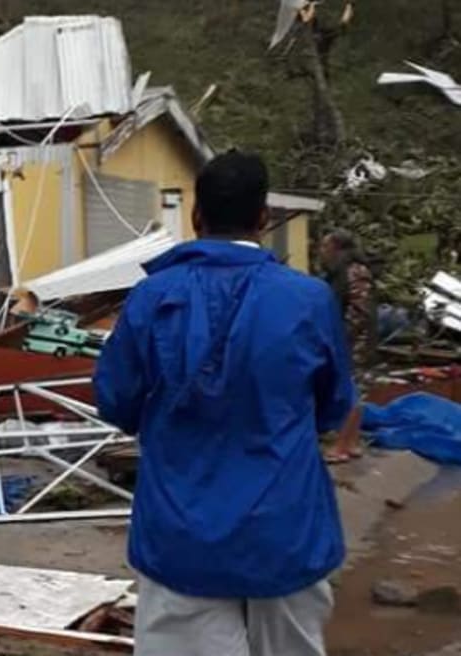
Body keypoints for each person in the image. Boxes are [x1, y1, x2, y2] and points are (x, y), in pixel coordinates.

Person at [93, 151, 355, 656]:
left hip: (181, 533)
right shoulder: (309, 298)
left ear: (195, 216)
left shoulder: (152, 297)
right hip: (286, 529)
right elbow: (331, 406)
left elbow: (116, 400)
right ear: (263, 219)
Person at [319, 229, 375, 464]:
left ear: (337, 248)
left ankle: (342, 446)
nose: (321, 251)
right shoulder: (338, 273)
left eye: (325, 246)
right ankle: (350, 444)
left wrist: (341, 338)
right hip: (350, 340)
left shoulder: (354, 272)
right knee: (355, 391)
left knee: (351, 392)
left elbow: (360, 311)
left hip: (354, 342)